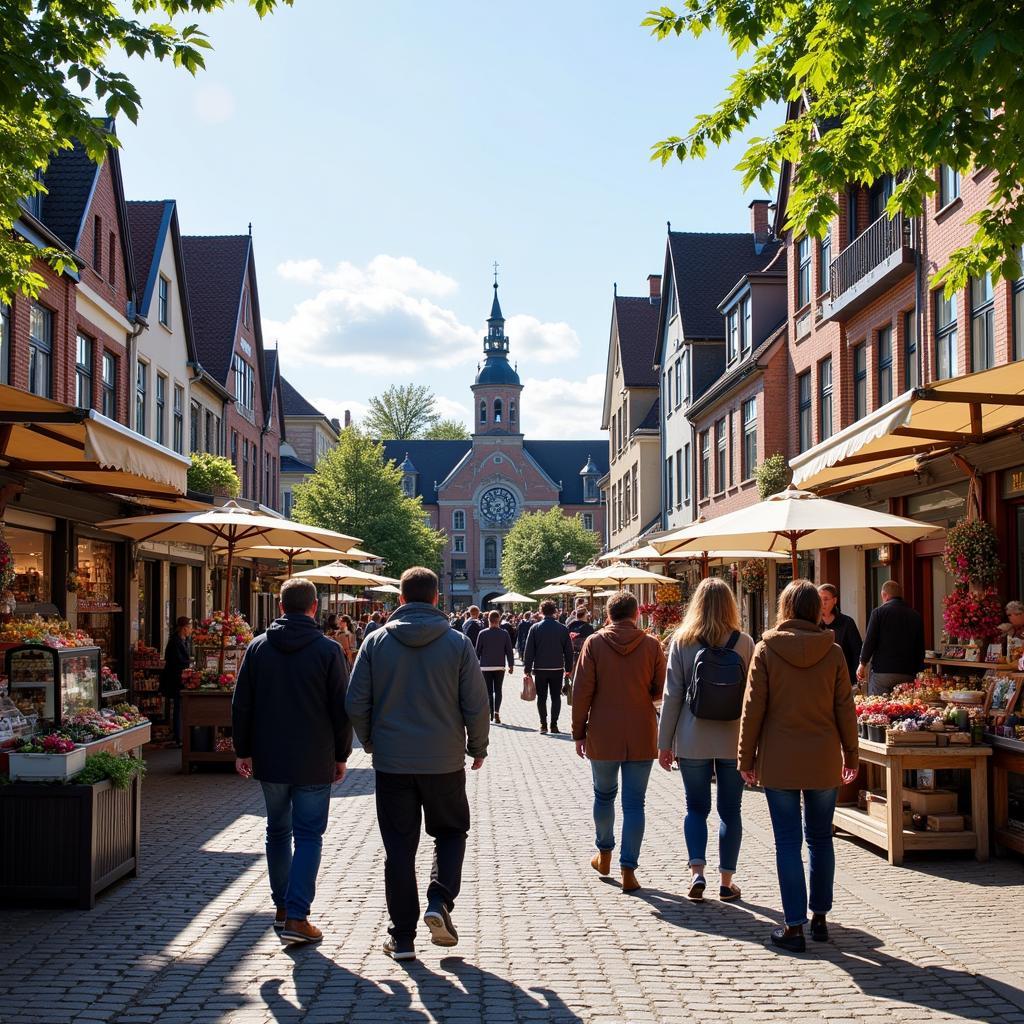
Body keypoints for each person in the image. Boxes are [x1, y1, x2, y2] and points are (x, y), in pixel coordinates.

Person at [347, 566, 489, 963]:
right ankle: (440, 899)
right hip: (444, 760)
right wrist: (477, 746)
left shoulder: (375, 642)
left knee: (399, 849)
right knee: (450, 831)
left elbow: (355, 701)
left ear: (400, 599)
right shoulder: (458, 644)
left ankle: (403, 938)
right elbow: (477, 704)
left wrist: (373, 741)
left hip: (393, 763)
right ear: (437, 599)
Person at [738, 579, 858, 953]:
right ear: (815, 610)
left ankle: (794, 926)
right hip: (823, 758)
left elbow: (752, 707)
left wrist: (745, 757)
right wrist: (851, 755)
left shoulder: (766, 649)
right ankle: (820, 916)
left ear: (785, 609)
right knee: (821, 838)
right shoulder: (834, 651)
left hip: (780, 760)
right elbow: (845, 708)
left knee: (787, 842)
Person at [231, 577, 352, 946]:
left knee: (277, 832)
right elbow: (340, 710)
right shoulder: (328, 651)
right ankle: (298, 915)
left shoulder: (257, 648)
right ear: (314, 607)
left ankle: (282, 908)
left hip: (270, 755)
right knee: (309, 834)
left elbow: (242, 704)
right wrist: (342, 755)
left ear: (280, 607)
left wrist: (242, 749)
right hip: (314, 756)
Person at [658, 578, 753, 902]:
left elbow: (672, 696)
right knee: (731, 811)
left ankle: (697, 873)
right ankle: (726, 882)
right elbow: (753, 698)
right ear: (730, 605)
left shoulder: (682, 641)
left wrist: (664, 743)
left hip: (692, 735)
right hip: (733, 738)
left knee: (695, 808)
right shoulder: (744, 643)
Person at [571, 591, 666, 893]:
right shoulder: (652, 645)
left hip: (603, 730)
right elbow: (659, 690)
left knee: (603, 795)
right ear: (636, 614)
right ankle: (629, 869)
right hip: (640, 730)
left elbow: (581, 692)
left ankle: (604, 854)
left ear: (609, 615)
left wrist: (578, 732)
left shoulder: (594, 643)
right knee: (635, 803)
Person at [856, 580, 925, 696]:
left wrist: (862, 663)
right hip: (907, 672)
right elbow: (920, 646)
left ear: (884, 595)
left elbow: (870, 641)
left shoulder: (878, 613)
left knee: (878, 708)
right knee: (904, 709)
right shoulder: (915, 615)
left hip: (882, 672)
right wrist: (919, 672)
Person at [523, 600, 574, 734]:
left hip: (540, 668)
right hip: (557, 668)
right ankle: (554, 724)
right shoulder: (563, 628)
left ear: (541, 612)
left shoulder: (535, 628)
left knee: (542, 697)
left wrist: (527, 669)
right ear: (555, 611)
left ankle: (543, 724)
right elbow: (568, 651)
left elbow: (529, 651)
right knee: (556, 697)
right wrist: (568, 669)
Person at [818, 584, 862, 689]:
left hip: (843, 678)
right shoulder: (812, 623)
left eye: (826, 599)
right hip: (819, 679)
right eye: (819, 599)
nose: (822, 603)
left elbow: (857, 651)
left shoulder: (847, 622)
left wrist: (854, 678)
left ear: (834, 600)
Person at [476, 610, 515, 724]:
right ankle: (497, 712)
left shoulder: (482, 633)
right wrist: (511, 665)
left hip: (485, 666)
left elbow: (477, 651)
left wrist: (474, 666)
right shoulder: (504, 633)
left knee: (488, 691)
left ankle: (490, 713)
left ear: (488, 620)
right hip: (499, 666)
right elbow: (509, 651)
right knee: (498, 690)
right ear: (499, 621)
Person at [159, 616, 192, 746]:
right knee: (178, 707)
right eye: (189, 627)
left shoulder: (183, 641)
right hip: (176, 680)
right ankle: (179, 737)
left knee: (179, 706)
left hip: (179, 678)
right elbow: (175, 662)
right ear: (184, 628)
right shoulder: (175, 642)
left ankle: (179, 735)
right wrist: (188, 665)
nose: (191, 630)